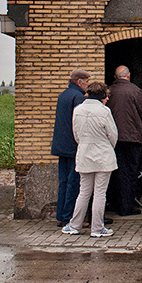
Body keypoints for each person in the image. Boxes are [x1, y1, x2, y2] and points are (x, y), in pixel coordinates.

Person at [65, 82, 118, 237]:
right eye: (106, 96)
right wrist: (108, 147)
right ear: (102, 95)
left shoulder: (78, 110)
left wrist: (84, 144)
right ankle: (97, 228)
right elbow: (113, 135)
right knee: (100, 193)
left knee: (84, 192)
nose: (108, 99)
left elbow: (76, 134)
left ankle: (75, 225)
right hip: (103, 155)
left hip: (84, 153)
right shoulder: (105, 112)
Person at [106, 65, 142, 216]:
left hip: (113, 138)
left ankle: (114, 203)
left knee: (116, 171)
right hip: (132, 137)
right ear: (129, 75)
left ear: (115, 76)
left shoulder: (109, 91)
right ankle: (127, 206)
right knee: (131, 172)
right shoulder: (135, 90)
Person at [50, 68, 89, 227]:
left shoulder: (64, 95)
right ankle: (69, 218)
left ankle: (60, 215)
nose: (87, 86)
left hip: (61, 145)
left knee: (63, 182)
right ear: (79, 82)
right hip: (73, 146)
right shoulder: (78, 97)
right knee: (73, 183)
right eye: (86, 82)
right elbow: (79, 123)